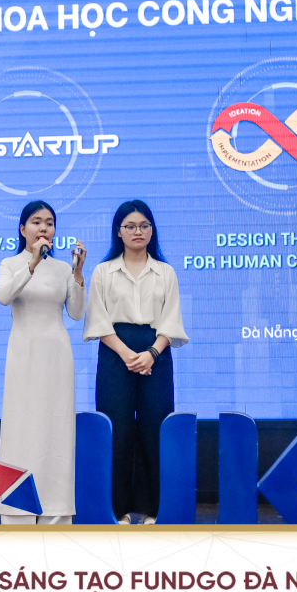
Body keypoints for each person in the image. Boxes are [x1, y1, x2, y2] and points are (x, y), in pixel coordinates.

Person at [82, 200, 188, 525]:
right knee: (117, 431)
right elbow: (98, 321)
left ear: (152, 230)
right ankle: (118, 511)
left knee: (156, 430)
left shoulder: (165, 272)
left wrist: (151, 353)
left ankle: (156, 510)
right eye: (130, 226)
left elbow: (171, 321)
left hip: (156, 352)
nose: (137, 231)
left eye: (144, 225)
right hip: (115, 353)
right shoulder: (103, 271)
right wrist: (127, 354)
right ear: (119, 231)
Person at [0, 201, 86, 525]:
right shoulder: (10, 263)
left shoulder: (62, 268)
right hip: (23, 354)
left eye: (49, 222)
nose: (44, 227)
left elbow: (76, 312)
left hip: (57, 356)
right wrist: (32, 264)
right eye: (36, 221)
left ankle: (56, 511)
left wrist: (77, 273)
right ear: (23, 229)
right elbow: (3, 296)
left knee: (56, 430)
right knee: (21, 430)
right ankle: (17, 512)